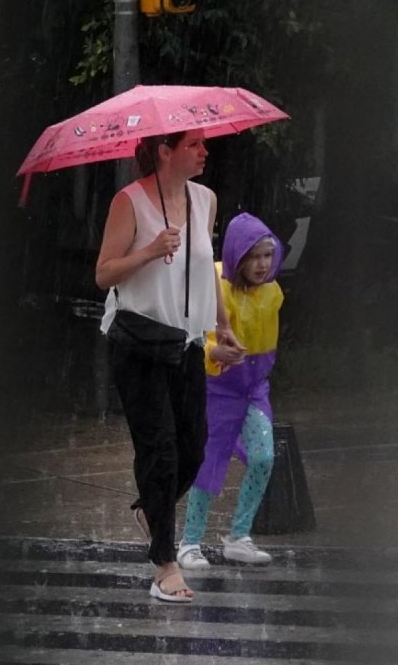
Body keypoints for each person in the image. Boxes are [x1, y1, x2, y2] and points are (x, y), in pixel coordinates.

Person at [95, 129, 243, 603]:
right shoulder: (129, 201)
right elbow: (104, 274)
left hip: (187, 344)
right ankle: (165, 564)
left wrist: (221, 327)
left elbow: (206, 268)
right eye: (194, 144)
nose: (205, 151)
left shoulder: (206, 200)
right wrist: (149, 251)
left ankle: (150, 510)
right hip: (139, 342)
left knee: (194, 450)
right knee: (159, 451)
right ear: (165, 151)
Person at [177, 213, 284, 570]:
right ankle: (190, 541)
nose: (262, 264)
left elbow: (267, 342)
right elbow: (197, 334)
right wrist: (214, 354)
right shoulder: (216, 285)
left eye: (267, 255)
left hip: (253, 388)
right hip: (217, 389)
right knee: (207, 465)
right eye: (254, 256)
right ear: (238, 254)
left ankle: (239, 535)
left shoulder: (272, 292)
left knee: (264, 456)